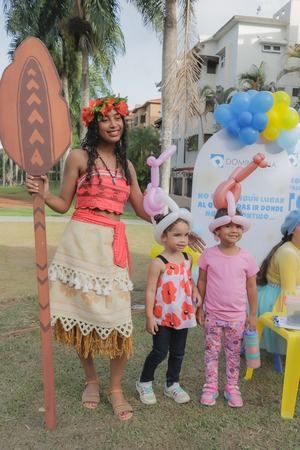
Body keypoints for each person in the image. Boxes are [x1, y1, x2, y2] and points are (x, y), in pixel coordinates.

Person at [26, 95, 204, 421]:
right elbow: (64, 203)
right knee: (82, 316)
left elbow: (143, 209)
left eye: (117, 119)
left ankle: (116, 387)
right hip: (80, 243)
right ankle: (91, 380)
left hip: (113, 245)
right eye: (106, 119)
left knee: (118, 320)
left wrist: (178, 226)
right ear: (94, 123)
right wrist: (42, 193)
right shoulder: (78, 157)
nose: (113, 124)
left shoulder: (127, 167)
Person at [136, 212, 201, 405]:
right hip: (162, 317)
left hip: (183, 315)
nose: (183, 240)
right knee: (159, 351)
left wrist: (195, 290)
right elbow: (149, 291)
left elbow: (188, 279)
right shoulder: (158, 263)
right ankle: (144, 382)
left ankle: (172, 384)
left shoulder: (188, 258)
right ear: (164, 236)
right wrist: (149, 316)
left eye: (186, 235)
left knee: (178, 352)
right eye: (177, 235)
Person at [197, 207, 258, 408]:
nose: (234, 230)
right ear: (217, 231)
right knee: (211, 353)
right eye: (228, 226)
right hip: (213, 316)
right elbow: (203, 283)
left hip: (237, 318)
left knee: (233, 354)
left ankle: (232, 387)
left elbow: (251, 286)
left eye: (238, 226)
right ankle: (210, 386)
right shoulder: (208, 255)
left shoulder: (246, 257)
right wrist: (199, 308)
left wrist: (253, 314)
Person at [257, 209, 300, 355]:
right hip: (277, 299)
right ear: (292, 230)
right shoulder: (289, 252)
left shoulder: (296, 250)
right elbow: (289, 292)